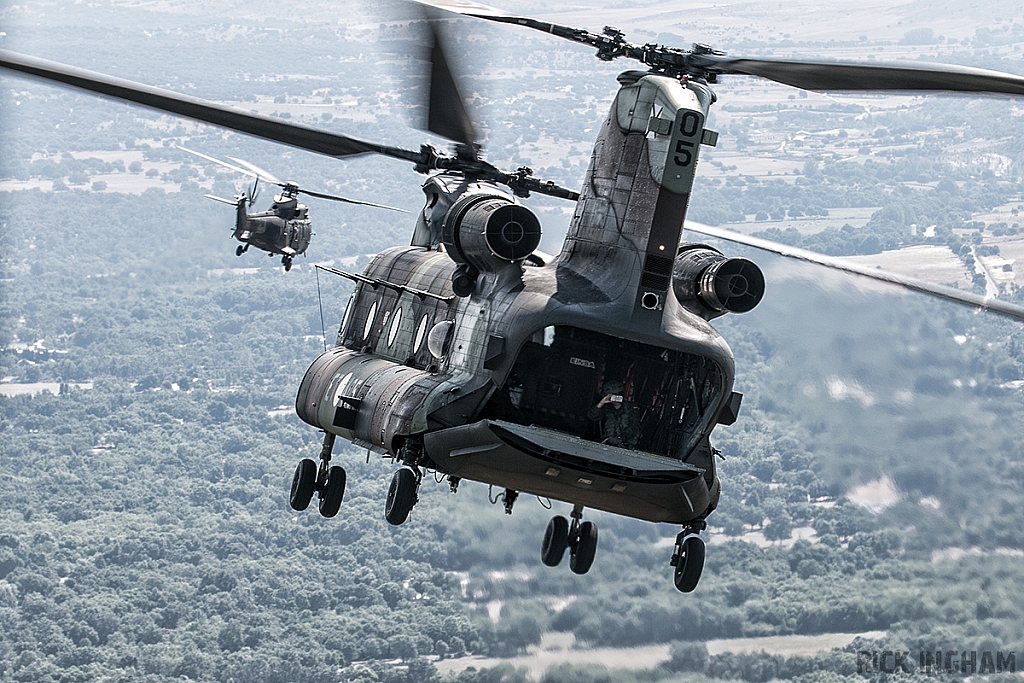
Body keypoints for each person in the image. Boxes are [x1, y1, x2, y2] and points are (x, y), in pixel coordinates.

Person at [587, 380, 639, 449]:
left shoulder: (630, 409)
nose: (616, 398)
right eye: (613, 396)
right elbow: (592, 416)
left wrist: (620, 439)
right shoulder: (606, 409)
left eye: (618, 395)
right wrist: (601, 403)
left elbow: (634, 427)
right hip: (607, 444)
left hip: (626, 446)